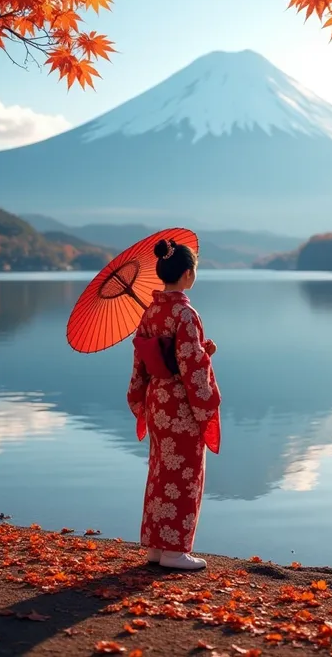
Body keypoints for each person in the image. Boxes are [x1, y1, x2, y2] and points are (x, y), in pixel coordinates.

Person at [127, 238, 221, 571]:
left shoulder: (151, 311)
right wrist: (206, 395)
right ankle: (174, 550)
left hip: (157, 399)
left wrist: (140, 394)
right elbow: (191, 366)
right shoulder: (184, 313)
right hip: (181, 404)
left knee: (160, 470)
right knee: (183, 473)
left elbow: (143, 360)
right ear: (187, 275)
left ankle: (155, 546)